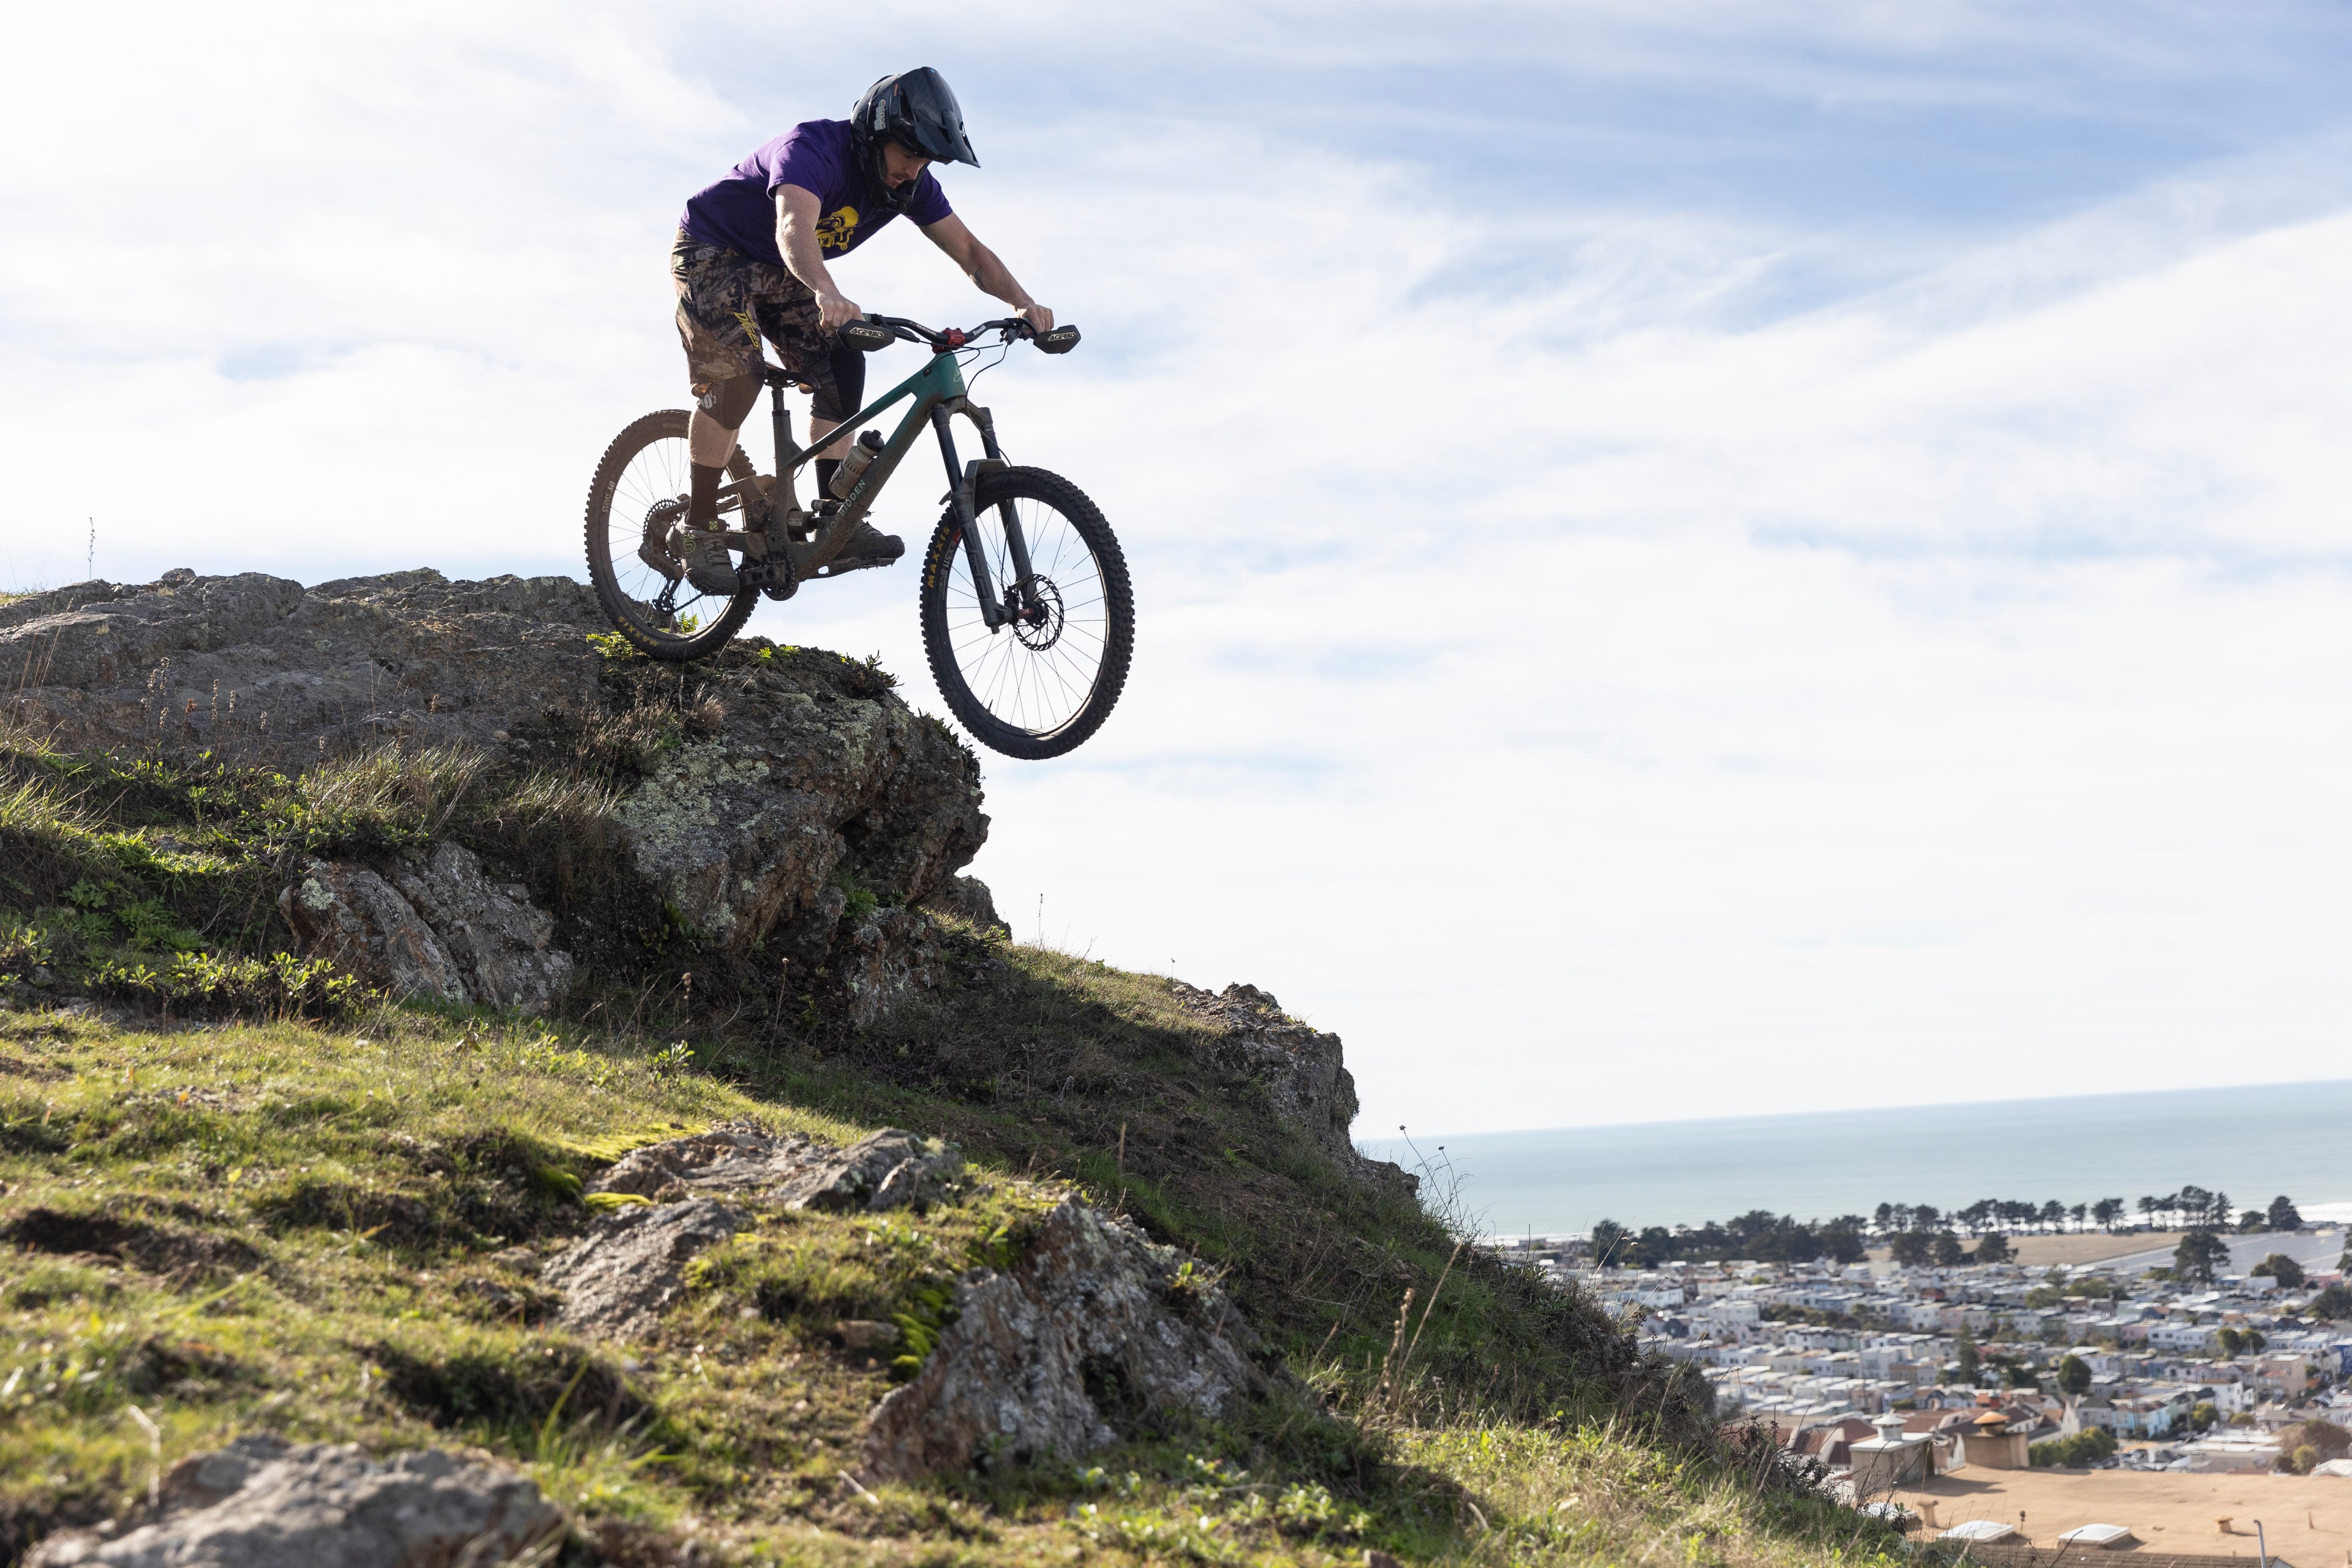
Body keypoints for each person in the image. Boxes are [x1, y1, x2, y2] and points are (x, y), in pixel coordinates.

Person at [658, 68, 1055, 594]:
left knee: (843, 360)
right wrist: (825, 290)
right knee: (737, 378)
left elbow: (972, 254)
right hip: (714, 250)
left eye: (926, 161)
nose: (914, 170)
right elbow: (793, 229)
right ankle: (698, 525)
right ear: (875, 137)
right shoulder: (812, 150)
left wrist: (1023, 302)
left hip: (782, 273)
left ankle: (832, 516)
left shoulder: (910, 187)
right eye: (908, 155)